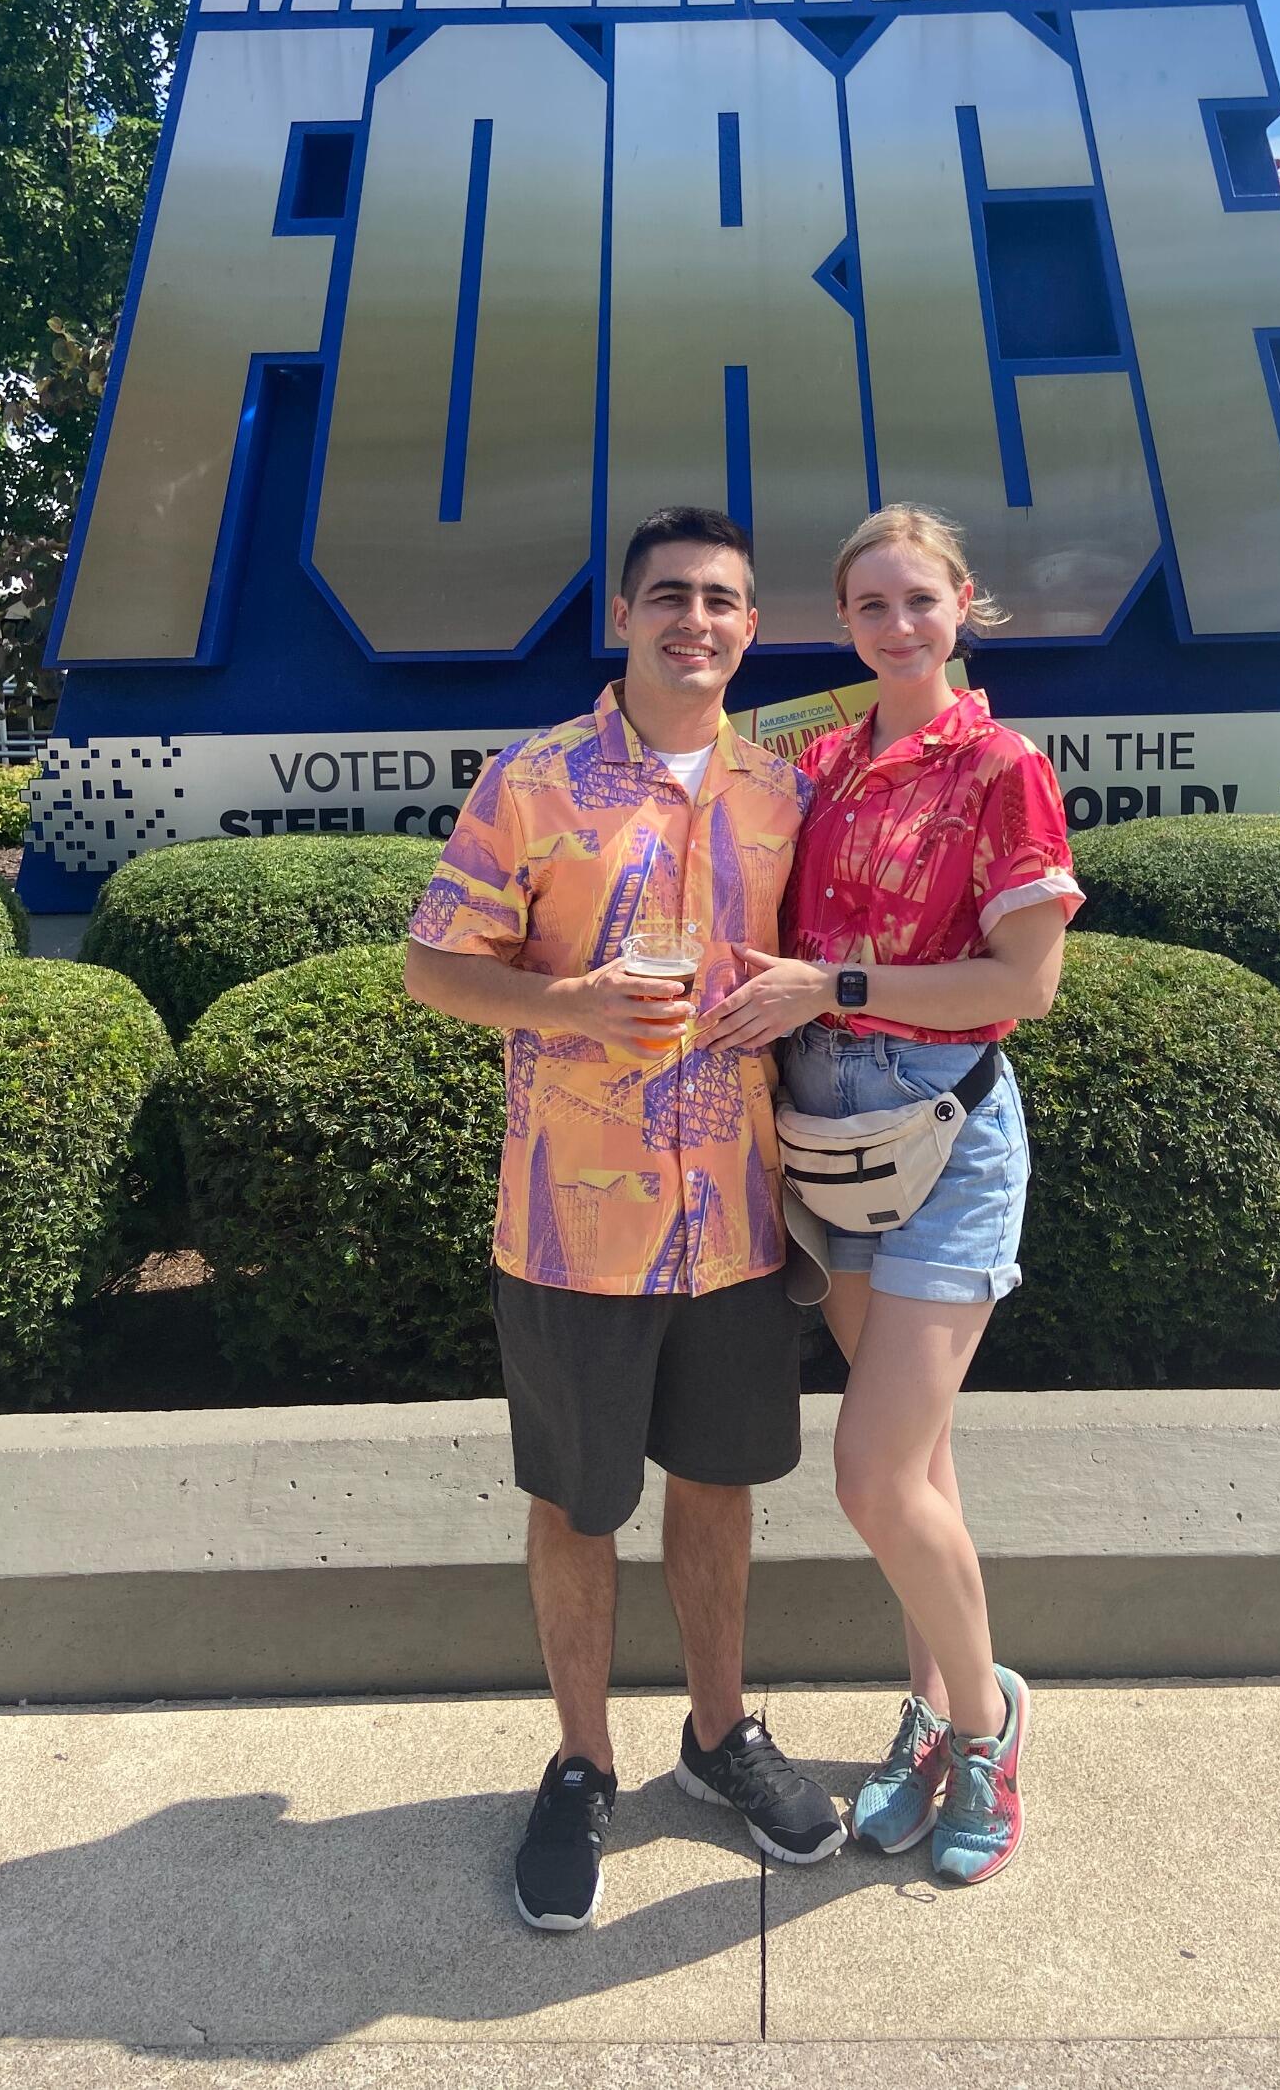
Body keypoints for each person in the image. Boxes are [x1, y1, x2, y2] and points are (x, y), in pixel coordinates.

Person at [404, 506, 846, 1933]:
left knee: (720, 1488)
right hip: (570, 1227)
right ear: (623, 613)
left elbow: (833, 960)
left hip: (735, 1218)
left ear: (750, 627)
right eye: (670, 596)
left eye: (722, 600)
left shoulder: (782, 795)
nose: (696, 621)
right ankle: (582, 1763)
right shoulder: (530, 783)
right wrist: (569, 1004)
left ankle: (717, 1738)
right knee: (579, 1504)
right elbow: (432, 965)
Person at [703, 503, 1082, 1886]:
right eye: (872, 605)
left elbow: (1022, 987)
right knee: (915, 1466)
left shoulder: (999, 766)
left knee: (868, 1471)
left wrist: (835, 987)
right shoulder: (826, 764)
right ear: (845, 622)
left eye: (921, 600)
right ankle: (931, 1716)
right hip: (828, 1128)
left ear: (963, 604)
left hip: (943, 1130)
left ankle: (987, 1730)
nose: (899, 624)